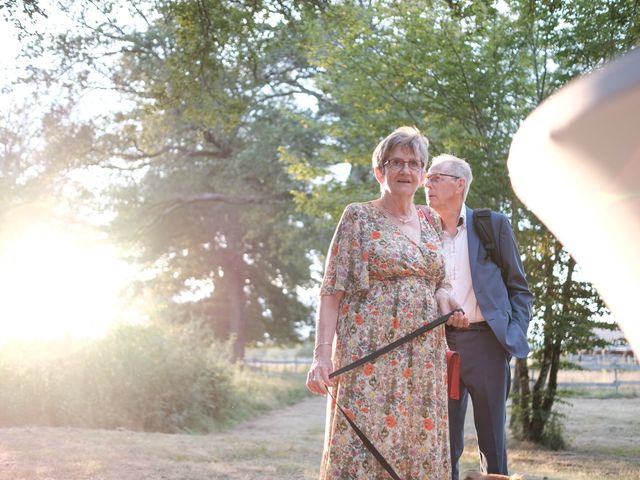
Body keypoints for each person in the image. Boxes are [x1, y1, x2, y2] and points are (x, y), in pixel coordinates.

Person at [306, 126, 468, 480]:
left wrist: (447, 301)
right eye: (396, 162)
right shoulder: (358, 217)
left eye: (414, 163)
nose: (405, 170)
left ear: (423, 172)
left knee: (419, 441)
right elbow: (331, 292)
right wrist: (321, 356)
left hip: (424, 358)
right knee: (364, 446)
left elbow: (439, 281)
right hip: (370, 354)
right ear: (380, 172)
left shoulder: (429, 219)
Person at [425, 154, 533, 480]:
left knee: (492, 444)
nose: (426, 183)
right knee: (443, 441)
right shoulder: (420, 232)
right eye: (426, 178)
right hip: (439, 346)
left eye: (435, 177)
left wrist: (513, 334)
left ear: (459, 185)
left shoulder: (492, 225)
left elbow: (519, 288)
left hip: (487, 343)